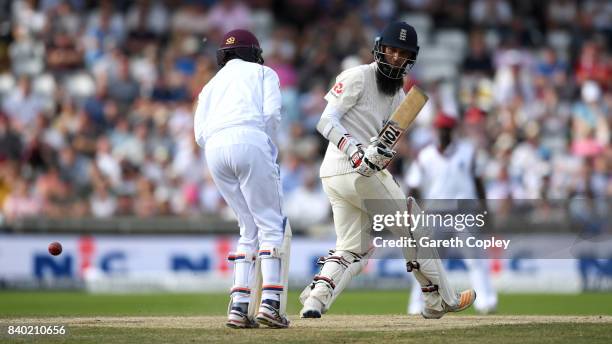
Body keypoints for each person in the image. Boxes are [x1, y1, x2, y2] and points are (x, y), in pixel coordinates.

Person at [298, 21, 476, 319]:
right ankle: (441, 298)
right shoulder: (356, 76)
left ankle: (315, 300)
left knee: (354, 247)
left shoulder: (399, 96)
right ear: (379, 49)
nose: (395, 57)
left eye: (402, 53)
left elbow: (382, 141)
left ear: (411, 58)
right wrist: (356, 153)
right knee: (413, 223)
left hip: (344, 176)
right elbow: (325, 121)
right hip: (349, 168)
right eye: (391, 50)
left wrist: (380, 155)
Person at [193, 29, 291, 329]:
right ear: (253, 52)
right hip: (250, 138)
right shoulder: (264, 73)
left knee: (247, 227)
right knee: (271, 224)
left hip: (215, 149)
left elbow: (199, 135)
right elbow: (272, 115)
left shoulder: (209, 85)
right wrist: (267, 147)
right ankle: (271, 304)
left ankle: (239, 306)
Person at [405, 112, 498, 315]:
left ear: (453, 131)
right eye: (440, 129)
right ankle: (417, 304)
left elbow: (479, 183)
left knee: (474, 258)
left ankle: (486, 302)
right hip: (434, 213)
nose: (443, 133)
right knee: (426, 263)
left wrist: (485, 210)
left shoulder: (467, 151)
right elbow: (413, 187)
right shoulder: (425, 155)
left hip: (464, 213)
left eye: (446, 129)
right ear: (435, 130)